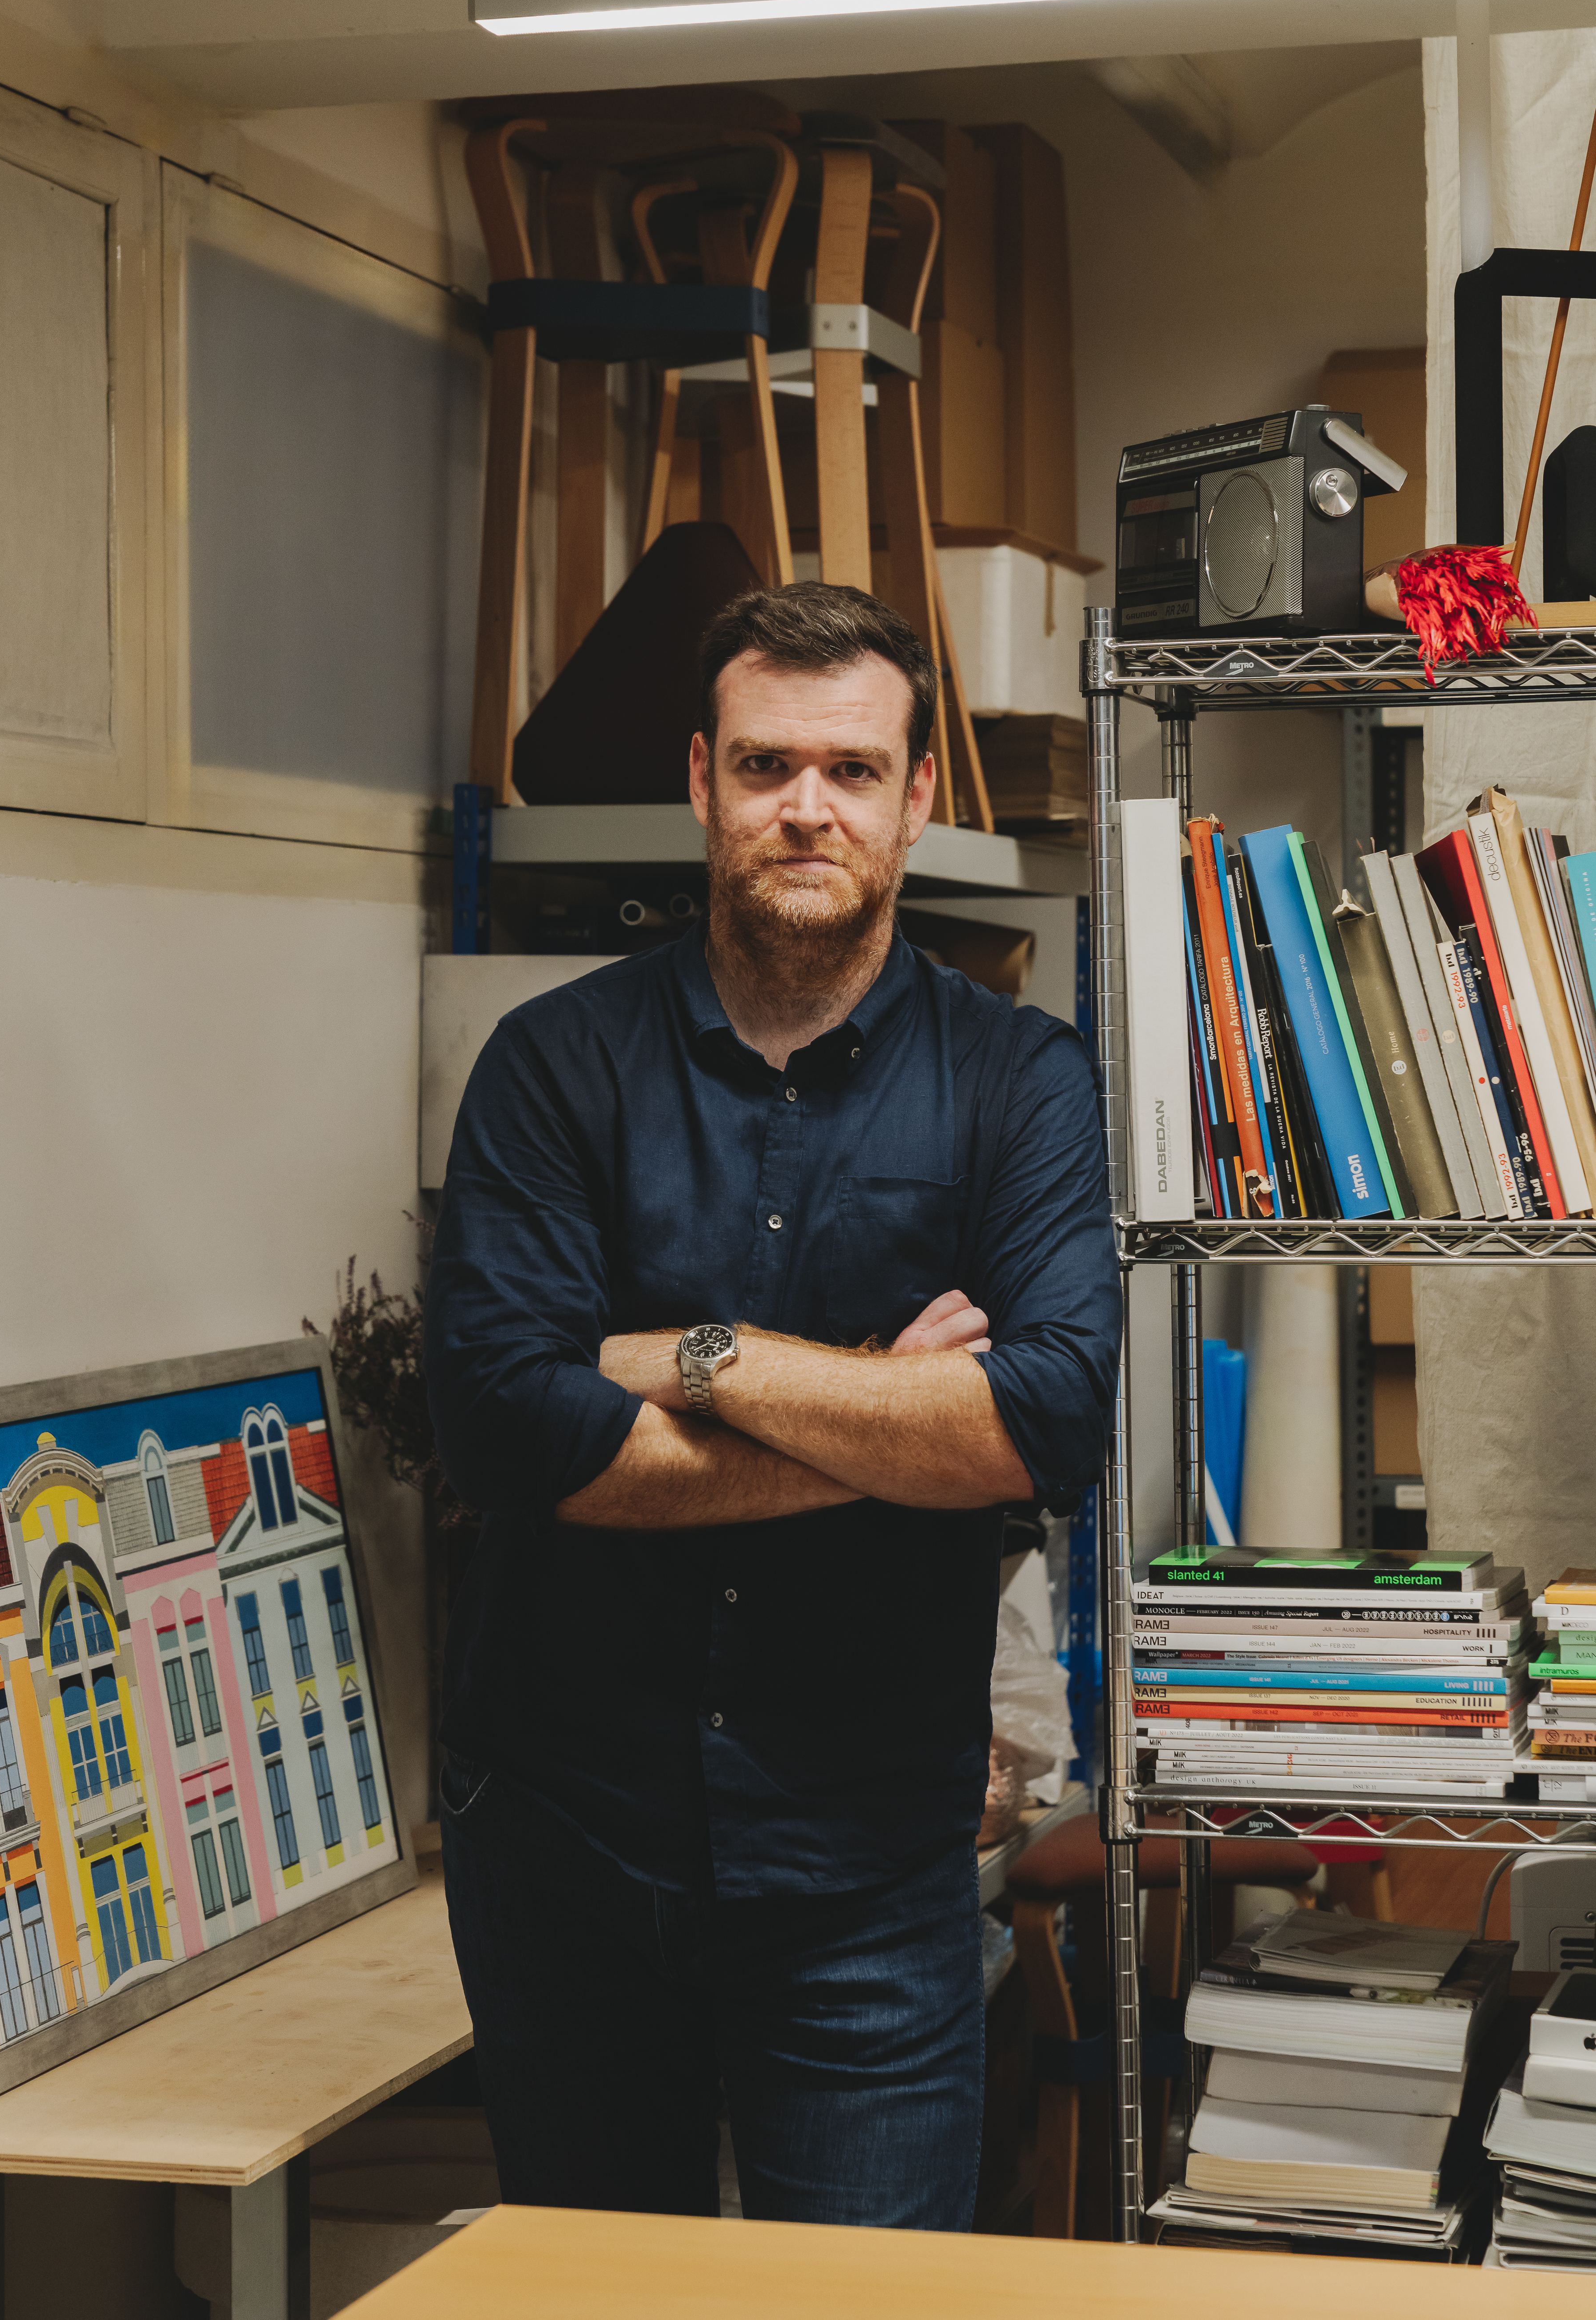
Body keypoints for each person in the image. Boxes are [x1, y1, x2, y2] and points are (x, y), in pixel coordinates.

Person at [426, 580, 1120, 2230]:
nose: (806, 805)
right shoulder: (550, 1065)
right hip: (568, 1853)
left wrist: (692, 1353)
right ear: (700, 782)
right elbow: (513, 1429)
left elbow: (1045, 1423)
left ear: (916, 796)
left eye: (852, 769)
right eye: (764, 766)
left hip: (867, 1868)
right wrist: (892, 1431)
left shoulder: (1017, 1081)